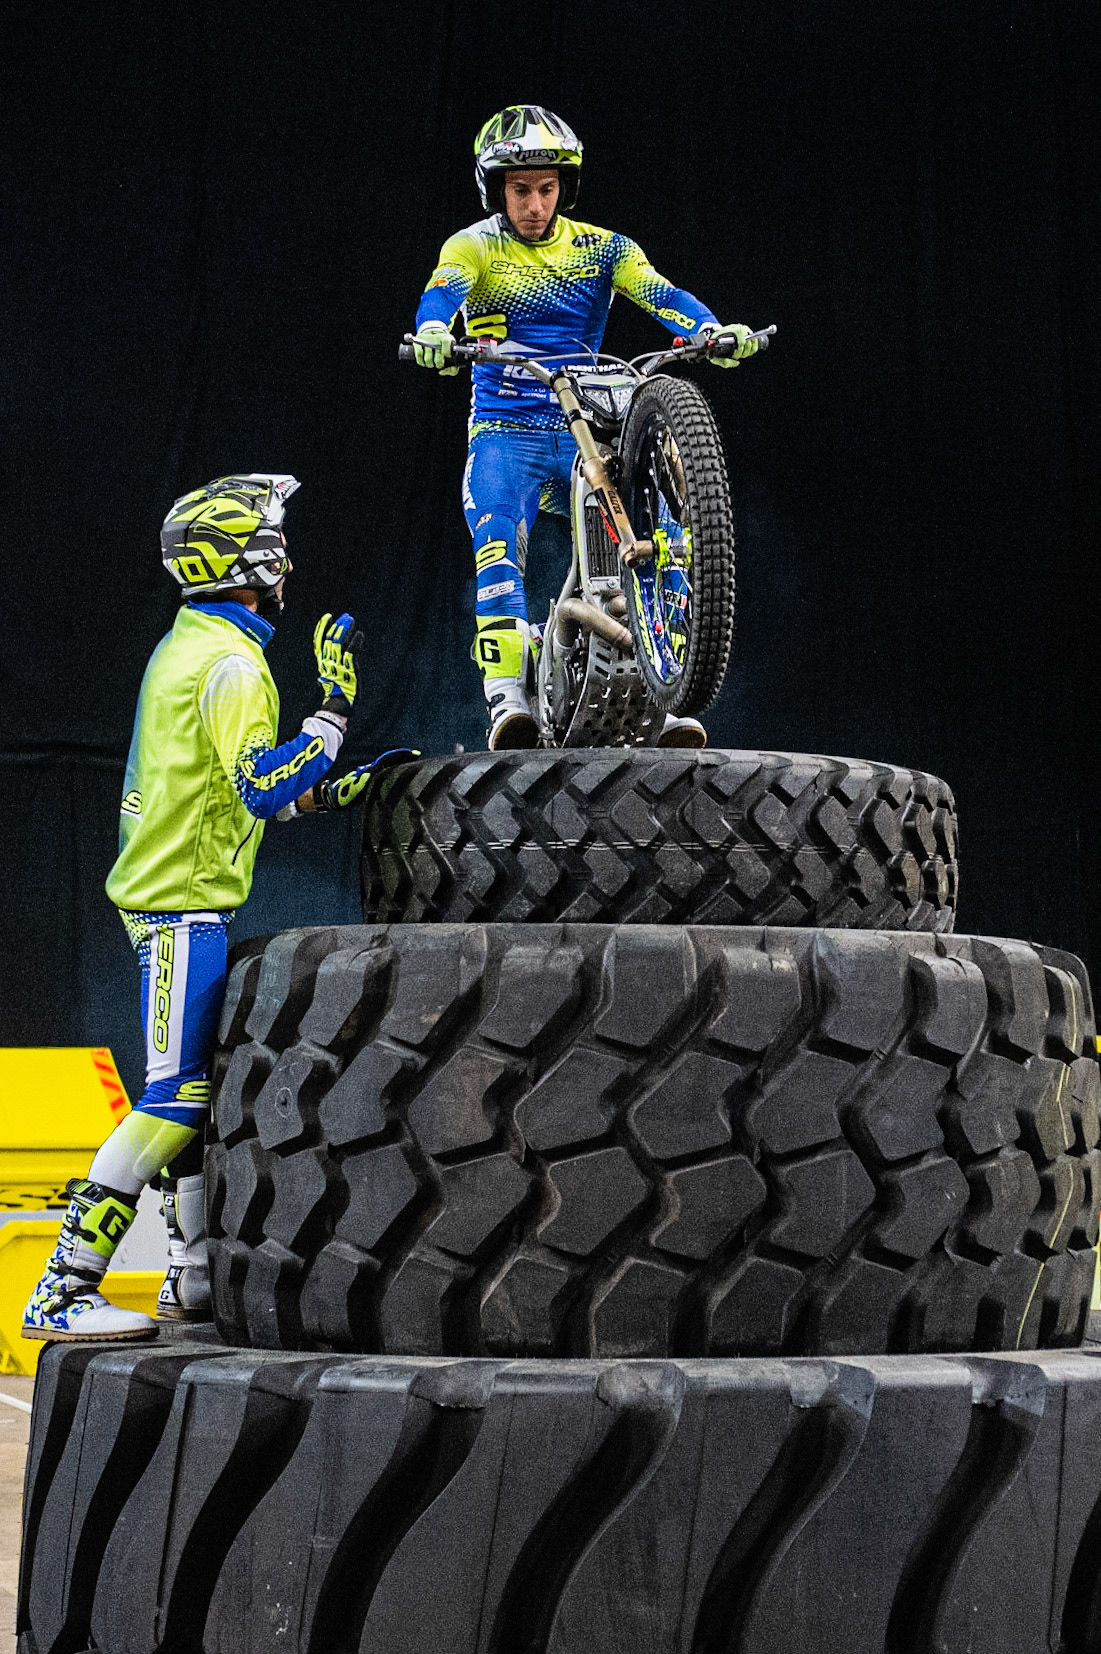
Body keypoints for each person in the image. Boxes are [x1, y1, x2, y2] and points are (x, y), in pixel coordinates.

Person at [23, 473, 412, 1341]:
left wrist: (342, 786)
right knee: (171, 1100)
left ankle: (190, 1275)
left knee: (191, 1096)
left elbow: (254, 802)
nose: (289, 564)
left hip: (176, 899)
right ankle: (60, 1286)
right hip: (178, 908)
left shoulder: (191, 642)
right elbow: (264, 781)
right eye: (277, 545)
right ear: (255, 560)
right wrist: (335, 714)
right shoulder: (234, 665)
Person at [411, 103, 760, 751]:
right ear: (496, 190)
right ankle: (506, 700)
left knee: (650, 535)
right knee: (495, 540)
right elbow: (442, 294)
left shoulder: (603, 248)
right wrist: (434, 331)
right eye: (520, 191)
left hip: (587, 426)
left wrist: (709, 329)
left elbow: (661, 294)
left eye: (546, 189)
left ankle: (671, 685)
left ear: (563, 188)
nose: (534, 204)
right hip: (506, 430)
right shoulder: (473, 247)